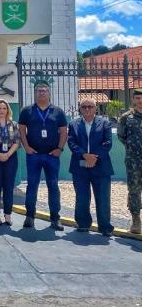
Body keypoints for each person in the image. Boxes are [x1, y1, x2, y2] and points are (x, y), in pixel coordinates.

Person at [18, 81, 68, 231]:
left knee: (53, 186)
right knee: (32, 185)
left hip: (52, 155)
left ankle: (55, 218)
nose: (41, 92)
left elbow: (64, 131)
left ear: (49, 93)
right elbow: (21, 130)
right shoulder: (27, 111)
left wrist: (60, 148)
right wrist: (26, 147)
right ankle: (30, 216)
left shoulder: (58, 112)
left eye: (44, 90)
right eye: (39, 90)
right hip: (33, 155)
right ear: (35, 93)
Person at [67, 98, 114, 236]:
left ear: (95, 108)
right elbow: (71, 143)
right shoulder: (73, 124)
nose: (87, 109)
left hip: (101, 166)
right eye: (84, 106)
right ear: (80, 108)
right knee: (81, 197)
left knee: (103, 198)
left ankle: (105, 227)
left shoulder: (105, 123)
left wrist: (94, 157)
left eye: (90, 106)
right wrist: (85, 155)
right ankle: (83, 224)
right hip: (80, 166)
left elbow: (107, 143)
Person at [117, 87, 142, 234]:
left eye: (141, 98)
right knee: (134, 190)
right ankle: (136, 220)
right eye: (137, 98)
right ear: (133, 99)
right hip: (133, 161)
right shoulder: (126, 117)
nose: (140, 101)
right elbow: (121, 136)